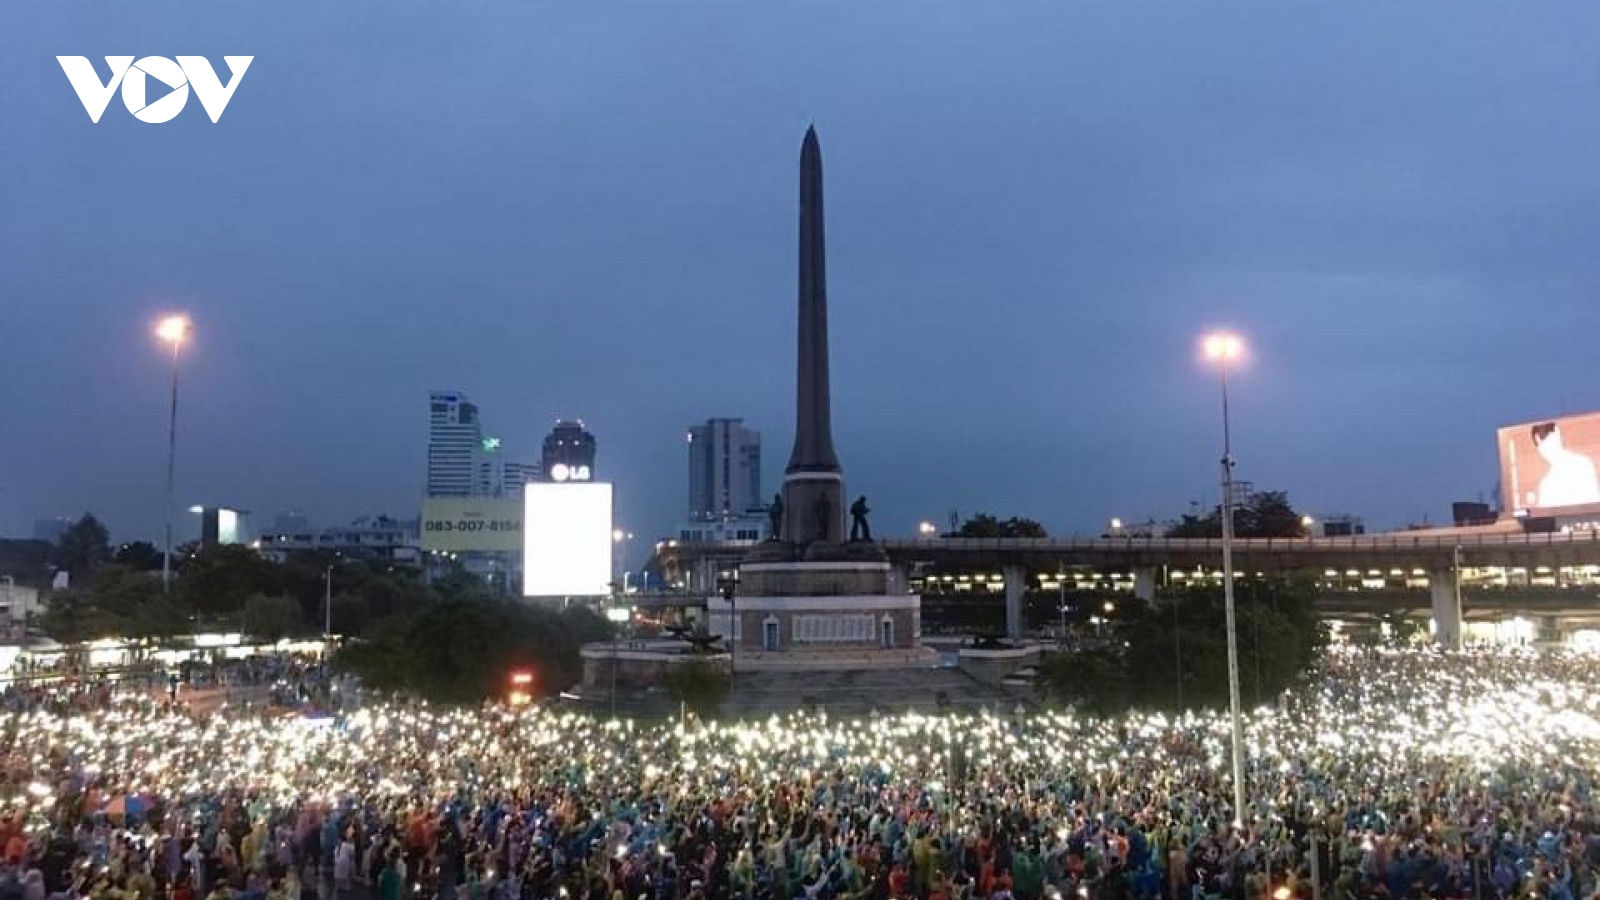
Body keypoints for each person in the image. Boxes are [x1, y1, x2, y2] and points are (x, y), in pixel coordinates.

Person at [1531, 422, 1600, 508]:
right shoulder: (1545, 485)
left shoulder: (1583, 465)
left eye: (1544, 439)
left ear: (1557, 432)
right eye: (1538, 445)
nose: (1544, 448)